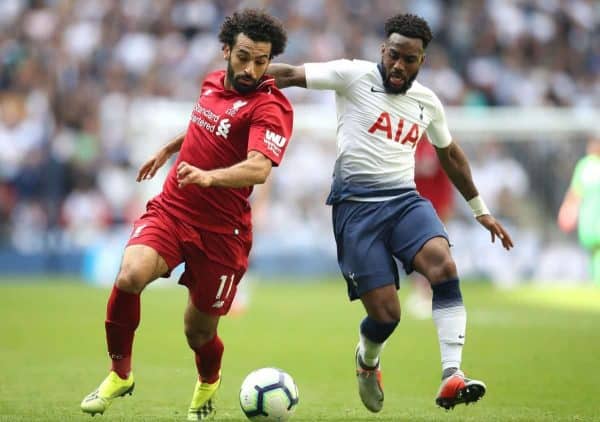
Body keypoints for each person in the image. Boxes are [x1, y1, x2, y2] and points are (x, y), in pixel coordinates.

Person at [267, 13, 513, 412]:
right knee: (386, 316)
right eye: (394, 56)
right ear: (383, 50)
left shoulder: (427, 102)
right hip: (356, 210)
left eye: (409, 60)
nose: (399, 66)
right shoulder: (352, 75)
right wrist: (243, 77)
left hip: (404, 202)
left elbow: (450, 155)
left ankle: (452, 374)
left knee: (444, 267)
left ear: (422, 61)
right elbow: (292, 74)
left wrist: (479, 210)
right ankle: (367, 360)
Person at [80, 9, 292, 420]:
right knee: (129, 275)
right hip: (174, 209)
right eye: (244, 56)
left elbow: (259, 168)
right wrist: (167, 150)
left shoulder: (270, 107)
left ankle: (208, 381)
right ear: (226, 50)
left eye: (261, 61)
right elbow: (206, 123)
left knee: (199, 333)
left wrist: (211, 178)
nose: (251, 68)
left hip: (222, 232)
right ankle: (119, 373)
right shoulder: (211, 81)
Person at [406, 135, 455, 319]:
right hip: (414, 206)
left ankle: (428, 295)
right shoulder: (411, 142)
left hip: (432, 207)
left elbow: (434, 170)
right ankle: (424, 294)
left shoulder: (435, 143)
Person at [558, 135, 600, 285]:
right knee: (594, 252)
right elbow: (575, 192)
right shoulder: (585, 165)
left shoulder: (585, 165)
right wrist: (567, 210)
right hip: (590, 218)